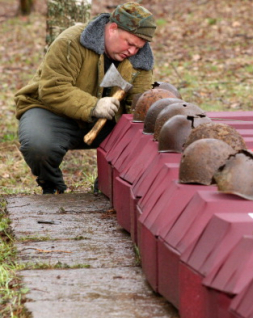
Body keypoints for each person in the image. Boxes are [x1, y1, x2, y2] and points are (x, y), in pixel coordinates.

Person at [14, 2, 156, 194]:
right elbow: (52, 88)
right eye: (129, 43)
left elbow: (137, 107)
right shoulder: (72, 41)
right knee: (38, 145)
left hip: (107, 121)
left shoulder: (141, 60)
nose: (132, 51)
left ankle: (106, 190)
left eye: (138, 47)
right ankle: (52, 187)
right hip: (51, 110)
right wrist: (93, 105)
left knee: (142, 142)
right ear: (112, 28)